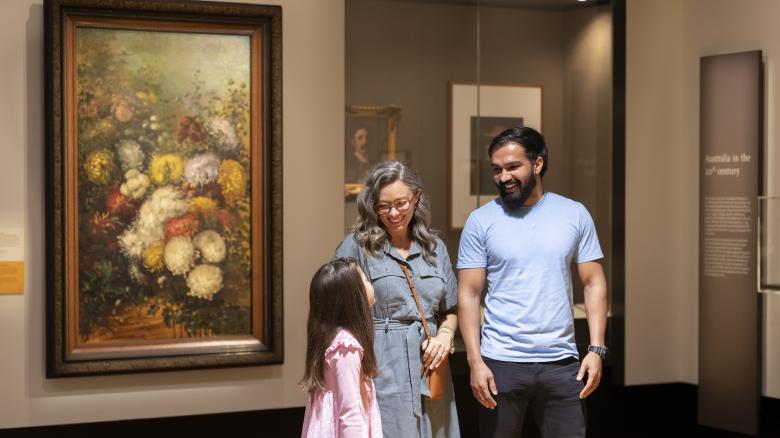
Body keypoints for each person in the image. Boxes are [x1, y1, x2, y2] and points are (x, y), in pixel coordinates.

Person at [457, 127, 608, 438]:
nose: (503, 177)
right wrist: (475, 361)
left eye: (513, 167)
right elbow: (469, 294)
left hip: (563, 363)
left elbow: (593, 283)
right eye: (496, 170)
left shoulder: (574, 214)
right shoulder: (480, 221)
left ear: (537, 164)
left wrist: (596, 349)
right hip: (500, 364)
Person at [335, 161, 460, 438]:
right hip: (382, 364)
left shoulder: (435, 248)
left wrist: (445, 336)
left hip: (432, 367)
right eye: (383, 206)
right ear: (372, 206)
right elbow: (338, 315)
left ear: (416, 197)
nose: (393, 213)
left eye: (401, 203)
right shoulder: (355, 247)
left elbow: (450, 308)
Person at [300, 258, 383, 437]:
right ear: (353, 295)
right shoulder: (346, 348)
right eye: (365, 280)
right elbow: (351, 413)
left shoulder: (333, 338)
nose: (370, 283)